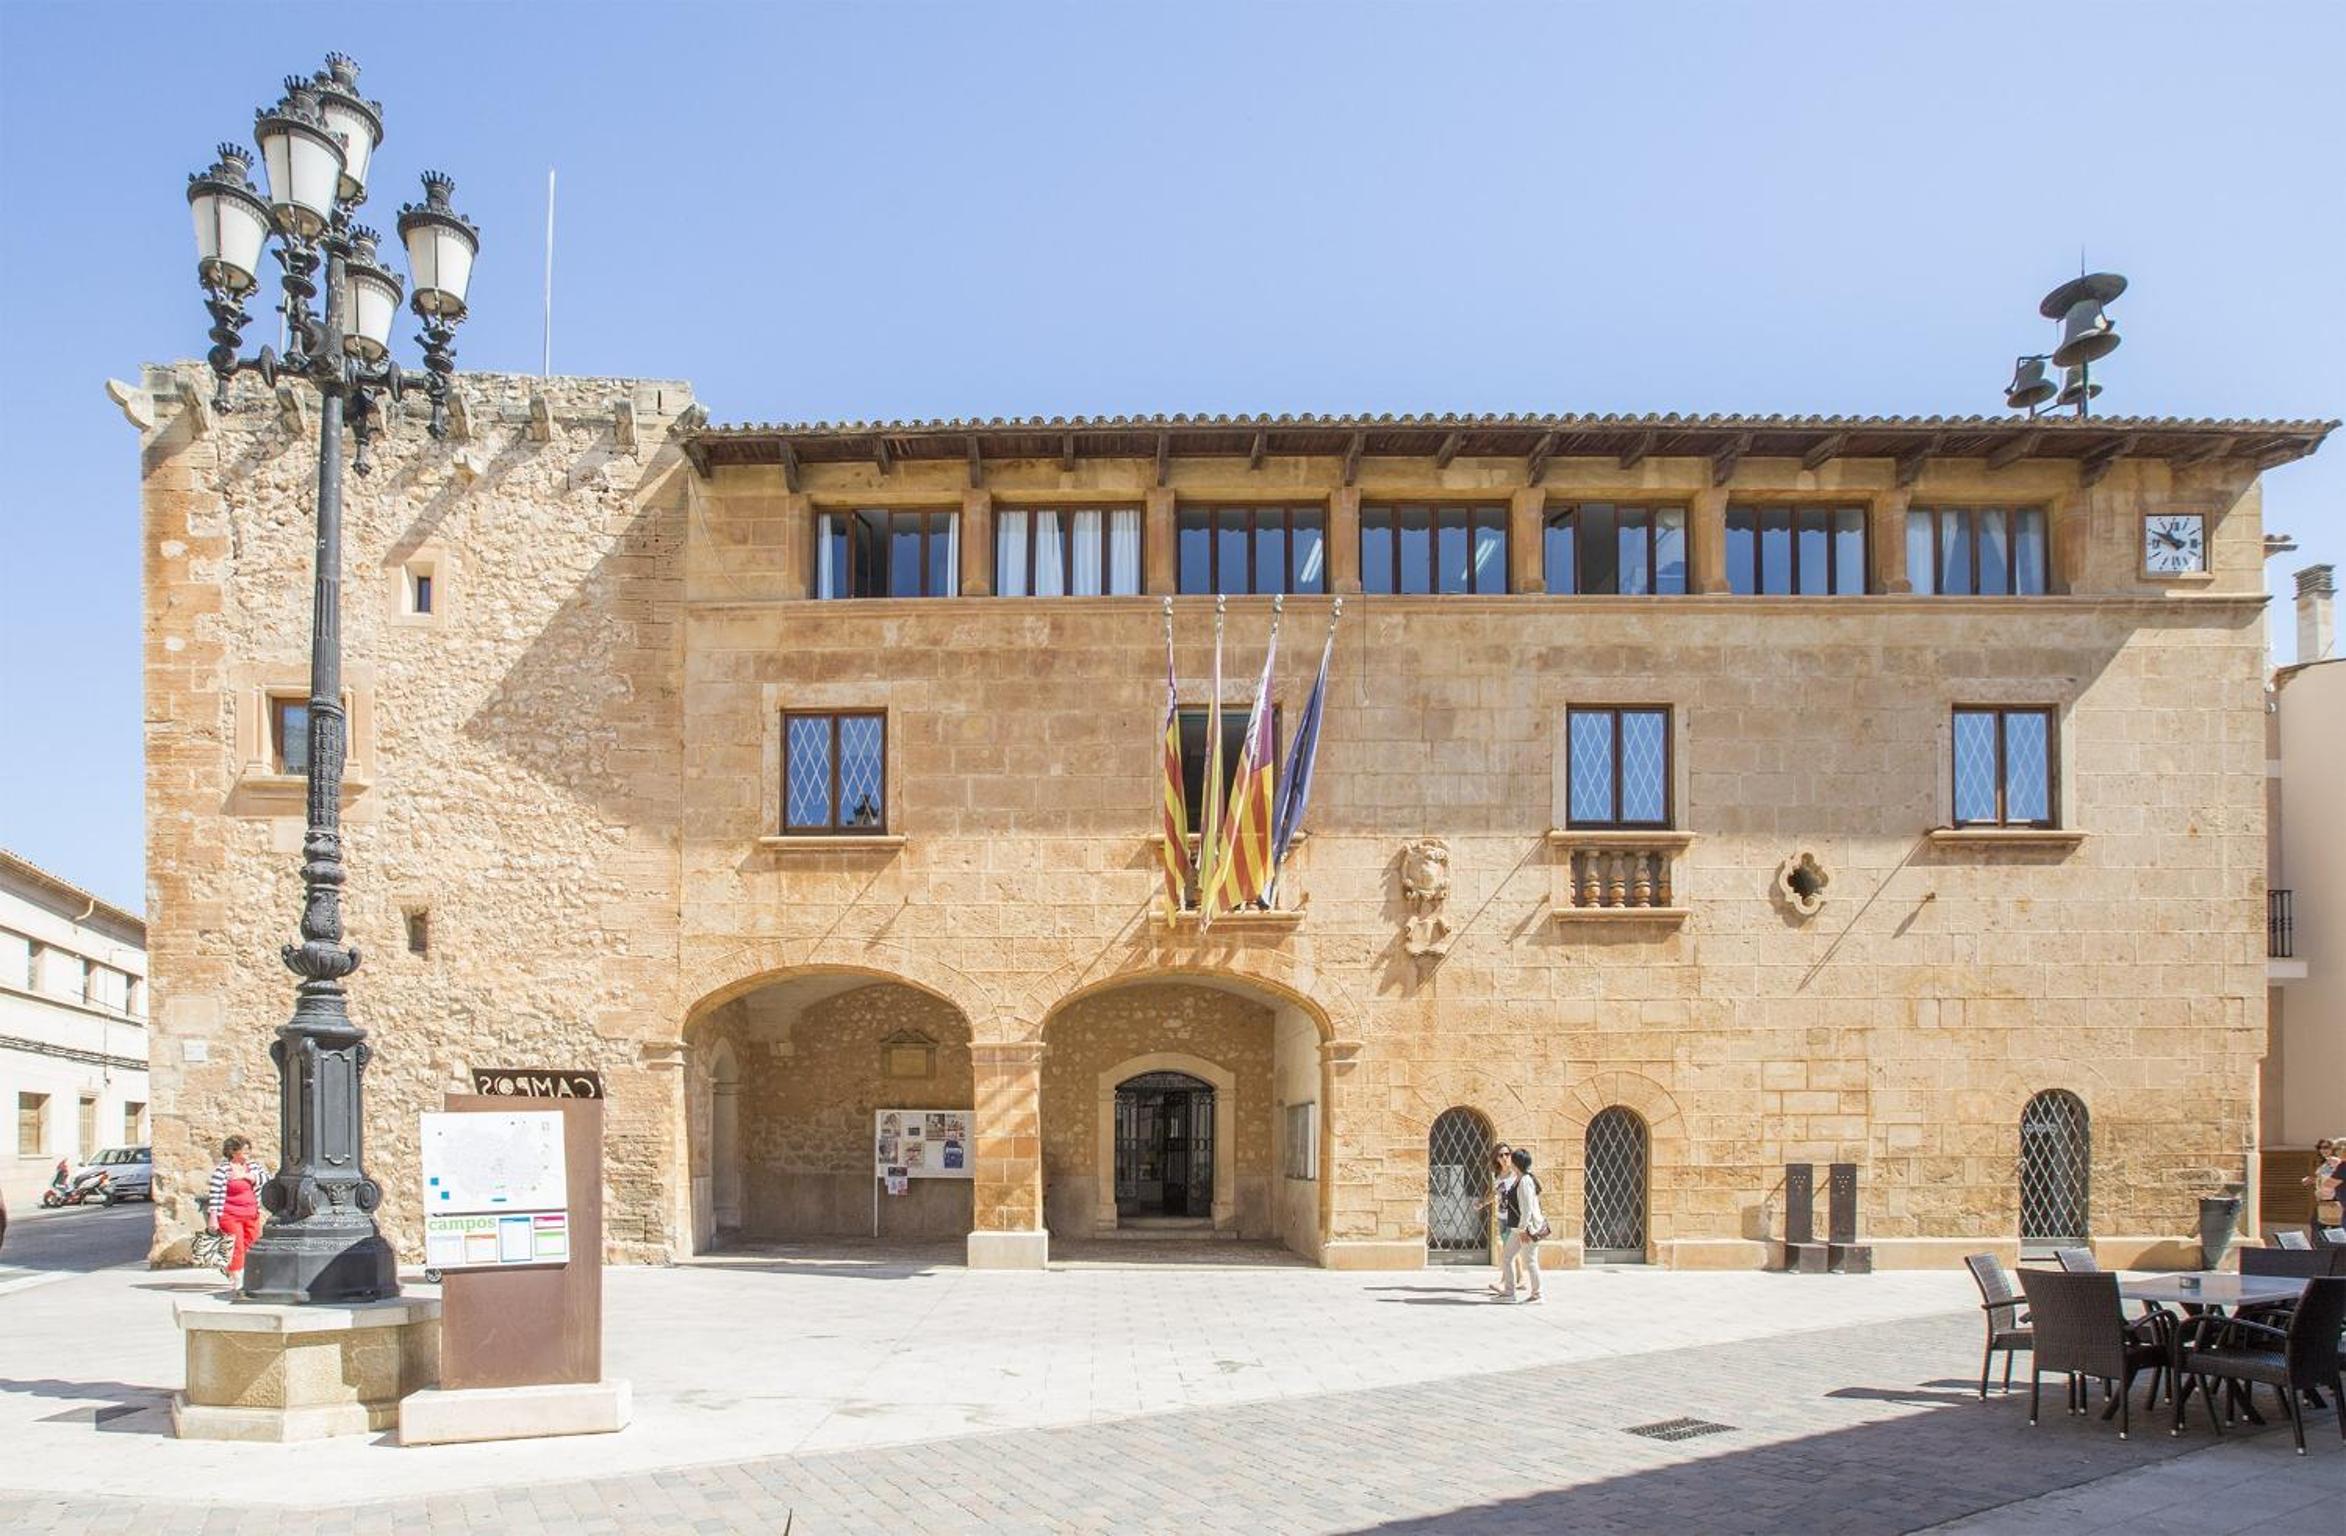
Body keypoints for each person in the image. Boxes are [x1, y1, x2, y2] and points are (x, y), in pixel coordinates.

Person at [205, 1136, 268, 1286]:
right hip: (230, 1215)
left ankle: (240, 1271)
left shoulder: (253, 1167)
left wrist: (246, 1176)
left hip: (251, 1214)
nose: (248, 1153)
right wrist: (213, 1217)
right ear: (233, 1152)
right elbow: (214, 1194)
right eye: (244, 1150)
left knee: (252, 1244)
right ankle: (238, 1278)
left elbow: (267, 1179)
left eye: (248, 1149)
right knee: (236, 1246)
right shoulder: (222, 1171)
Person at [1499, 1149, 1547, 1305]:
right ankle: (1509, 1293)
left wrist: (1523, 1230)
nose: (1508, 1161)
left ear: (1516, 1163)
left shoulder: (1525, 1181)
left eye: (1510, 1158)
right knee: (1507, 1257)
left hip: (1526, 1229)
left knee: (1530, 1261)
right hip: (1518, 1228)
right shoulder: (1519, 1178)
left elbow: (1527, 1209)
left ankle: (1537, 1295)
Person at [1483, 1144, 1518, 1295]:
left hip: (1514, 1218)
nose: (1504, 1158)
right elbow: (1495, 1193)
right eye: (1500, 1155)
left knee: (1507, 1252)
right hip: (1502, 1217)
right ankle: (1521, 1279)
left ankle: (1505, 1282)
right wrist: (1483, 1203)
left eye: (1507, 1154)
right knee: (1510, 1250)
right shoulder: (1498, 1175)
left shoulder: (1516, 1174)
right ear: (1496, 1158)